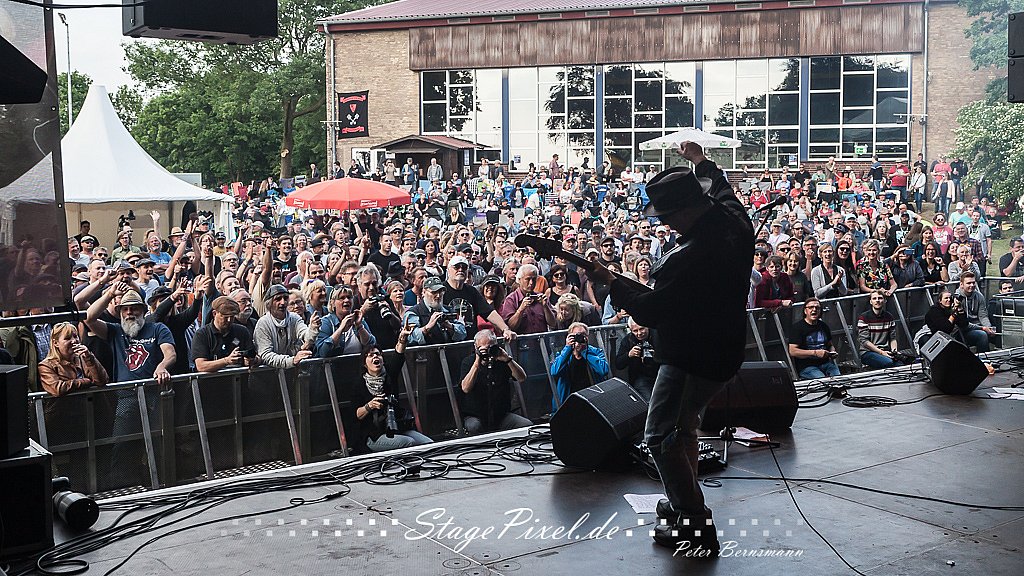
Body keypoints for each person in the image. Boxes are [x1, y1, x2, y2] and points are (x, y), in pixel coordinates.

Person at [589, 141, 753, 553]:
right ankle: (683, 498)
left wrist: (610, 282)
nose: (664, 224)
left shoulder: (690, 257)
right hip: (726, 350)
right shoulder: (734, 222)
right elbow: (724, 189)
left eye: (666, 216)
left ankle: (693, 519)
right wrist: (700, 160)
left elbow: (651, 310)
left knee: (660, 432)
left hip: (690, 357)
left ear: (684, 211)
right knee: (684, 428)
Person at [354, 324, 433, 452]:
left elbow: (398, 356)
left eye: (378, 354)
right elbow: (356, 414)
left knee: (429, 444)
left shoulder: (389, 375)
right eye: (370, 355)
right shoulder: (359, 384)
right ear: (364, 363)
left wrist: (403, 338)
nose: (375, 357)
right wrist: (370, 406)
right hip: (373, 435)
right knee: (408, 443)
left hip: (397, 428)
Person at [458, 329, 532, 435]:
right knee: (474, 427)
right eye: (483, 348)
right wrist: (477, 363)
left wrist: (508, 359)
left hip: (501, 416)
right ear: (476, 347)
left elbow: (521, 378)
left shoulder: (501, 361)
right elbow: (465, 388)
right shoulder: (468, 362)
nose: (487, 352)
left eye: (490, 347)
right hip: (476, 416)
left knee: (526, 425)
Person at [254, 284, 319, 369]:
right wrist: (292, 360)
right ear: (269, 304)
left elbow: (306, 336)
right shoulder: (263, 324)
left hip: (291, 372)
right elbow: (266, 355)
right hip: (270, 373)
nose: (283, 302)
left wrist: (313, 328)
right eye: (278, 299)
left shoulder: (294, 318)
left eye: (285, 298)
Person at [549, 322, 610, 411]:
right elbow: (554, 371)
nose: (579, 338)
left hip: (592, 399)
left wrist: (585, 351)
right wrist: (568, 348)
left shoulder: (596, 352)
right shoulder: (564, 354)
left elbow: (604, 370)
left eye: (583, 335)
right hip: (569, 400)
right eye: (576, 335)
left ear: (587, 337)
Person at [38, 321, 109, 397]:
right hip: (64, 404)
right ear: (56, 343)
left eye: (75, 336)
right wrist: (85, 382)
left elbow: (102, 380)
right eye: (67, 338)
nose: (74, 341)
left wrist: (89, 358)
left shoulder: (84, 358)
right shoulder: (46, 365)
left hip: (89, 404)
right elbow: (57, 389)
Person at [191, 296, 259, 372]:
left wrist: (253, 360)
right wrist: (226, 361)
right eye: (225, 317)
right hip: (213, 379)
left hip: (238, 378)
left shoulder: (242, 331)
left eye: (232, 317)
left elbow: (255, 356)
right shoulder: (202, 334)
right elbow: (201, 366)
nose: (229, 320)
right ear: (214, 313)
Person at [788, 297, 841, 379]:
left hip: (826, 364)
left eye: (817, 308)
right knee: (822, 381)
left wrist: (832, 352)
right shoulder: (797, 328)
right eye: (811, 307)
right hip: (807, 366)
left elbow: (830, 345)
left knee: (839, 379)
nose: (814, 310)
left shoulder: (823, 326)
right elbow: (792, 351)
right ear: (805, 311)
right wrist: (815, 353)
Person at [613, 318, 659, 401]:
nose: (639, 333)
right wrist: (629, 355)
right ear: (631, 330)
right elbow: (618, 364)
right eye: (635, 331)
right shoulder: (628, 340)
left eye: (641, 329)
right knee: (649, 401)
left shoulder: (657, 336)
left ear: (647, 326)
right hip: (641, 376)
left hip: (659, 372)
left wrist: (657, 355)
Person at [857, 290, 904, 369]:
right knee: (889, 363)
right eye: (874, 298)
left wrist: (894, 351)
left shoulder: (889, 317)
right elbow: (864, 341)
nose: (877, 300)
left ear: (885, 301)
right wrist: (881, 352)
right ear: (871, 302)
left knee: (902, 364)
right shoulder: (864, 317)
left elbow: (892, 338)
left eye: (880, 298)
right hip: (868, 352)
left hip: (885, 351)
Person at [954, 272, 996, 352]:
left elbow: (983, 316)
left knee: (996, 332)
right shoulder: (957, 298)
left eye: (973, 283)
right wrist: (983, 328)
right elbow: (963, 324)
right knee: (982, 335)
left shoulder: (979, 296)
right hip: (963, 330)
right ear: (961, 284)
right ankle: (983, 358)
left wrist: (988, 327)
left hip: (978, 327)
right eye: (968, 283)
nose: (972, 285)